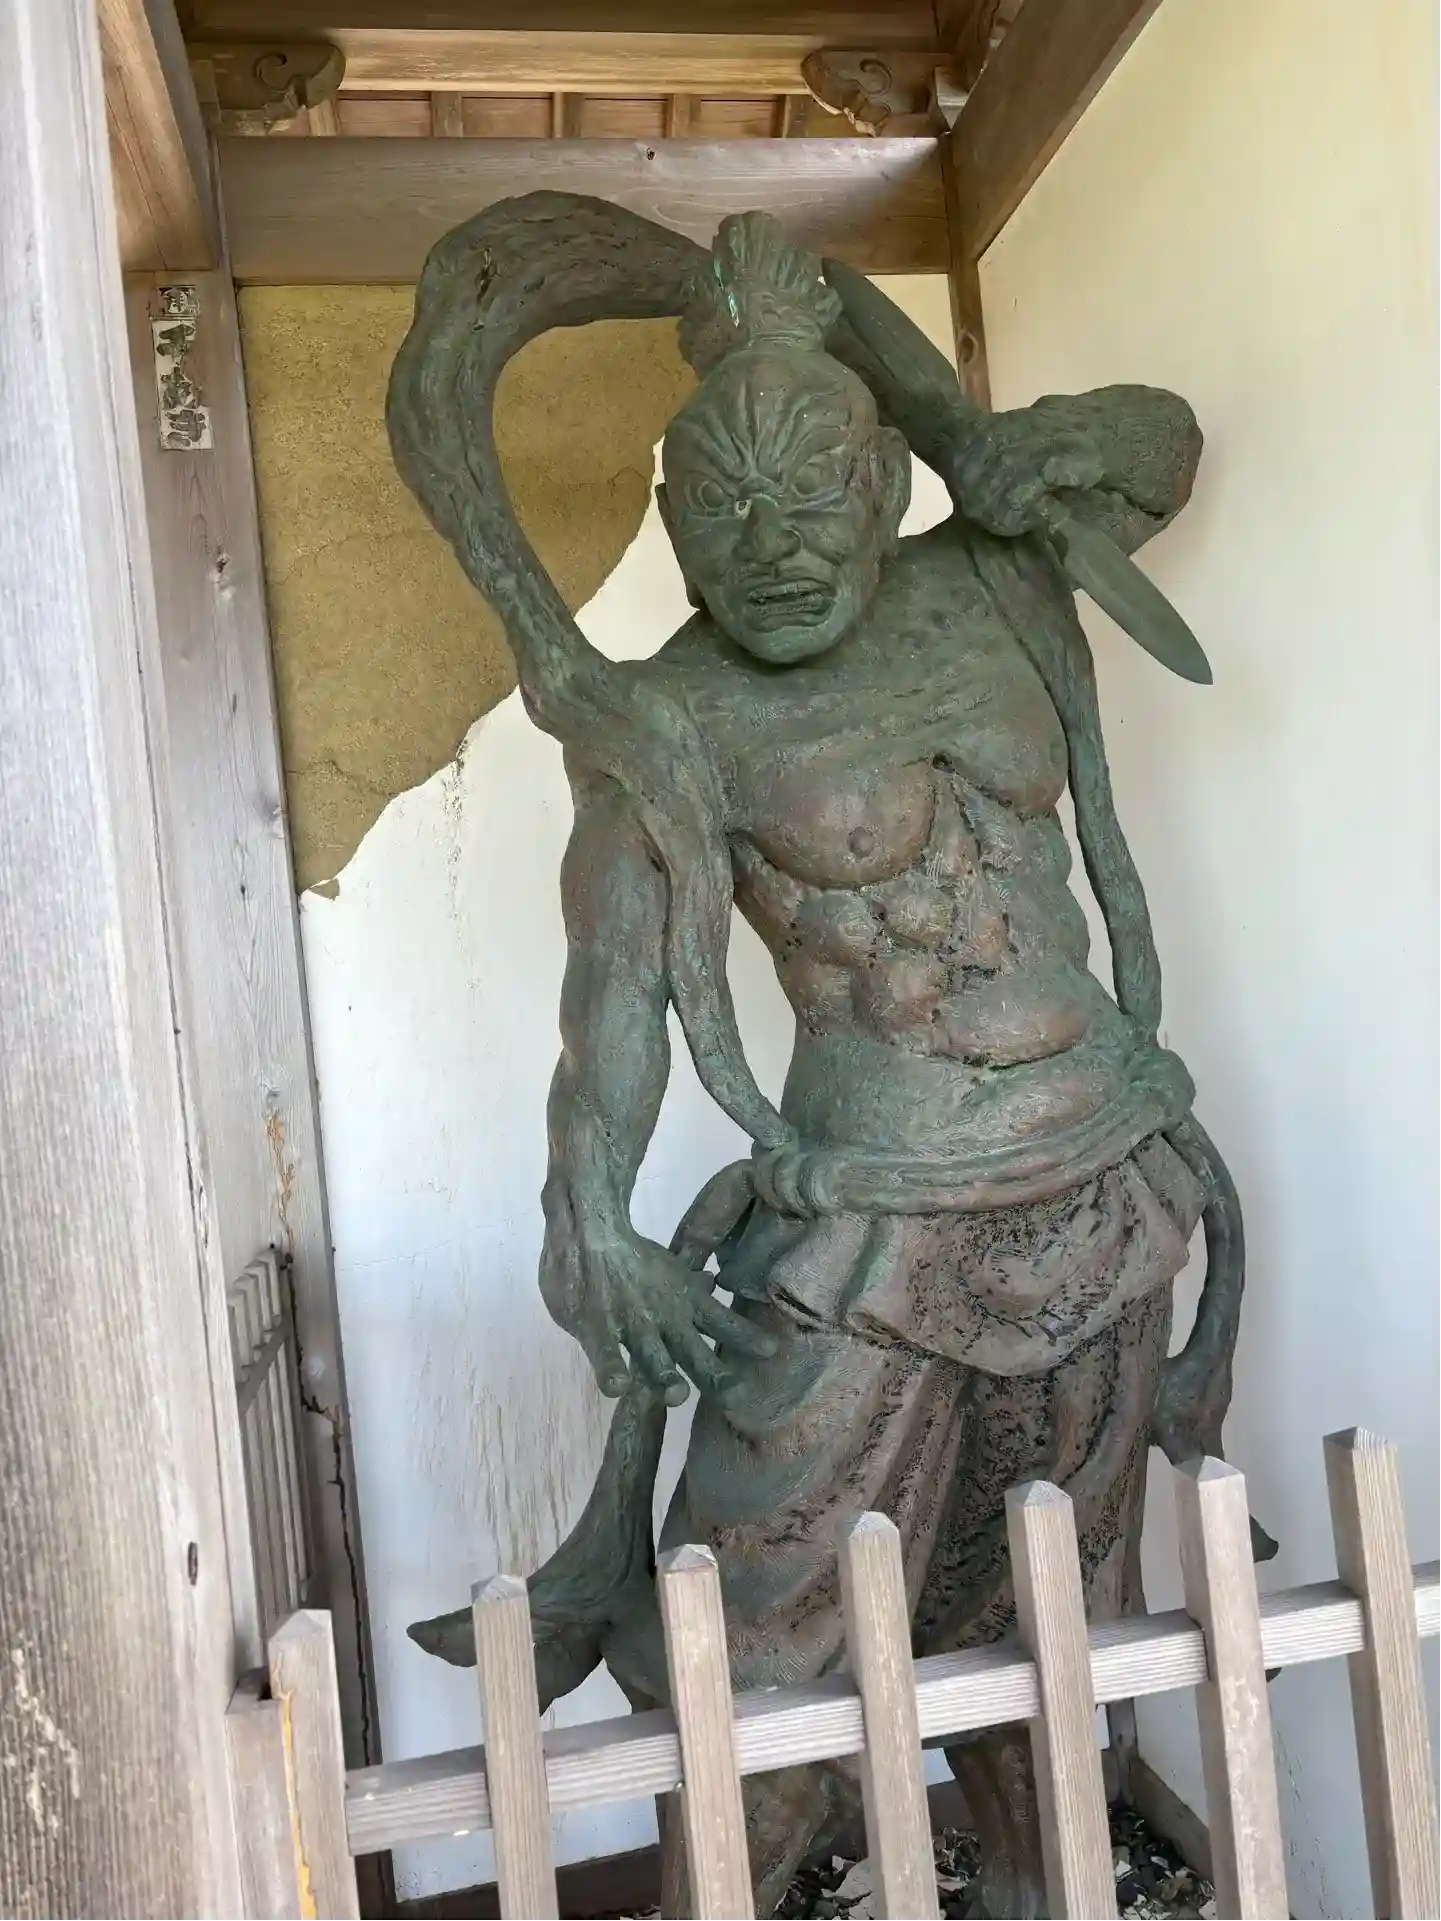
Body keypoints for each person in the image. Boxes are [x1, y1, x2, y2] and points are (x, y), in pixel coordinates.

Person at [390, 197, 1256, 1918]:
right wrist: (591, 1214)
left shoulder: (991, 576)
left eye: (811, 493)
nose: (772, 545)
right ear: (671, 523)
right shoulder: (667, 719)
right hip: (868, 1225)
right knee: (755, 1643)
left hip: (1101, 1183)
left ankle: (1043, 1888)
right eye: (724, 507)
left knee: (1046, 1620)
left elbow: (1158, 449)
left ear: (881, 488)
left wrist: (986, 438)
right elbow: (611, 1007)